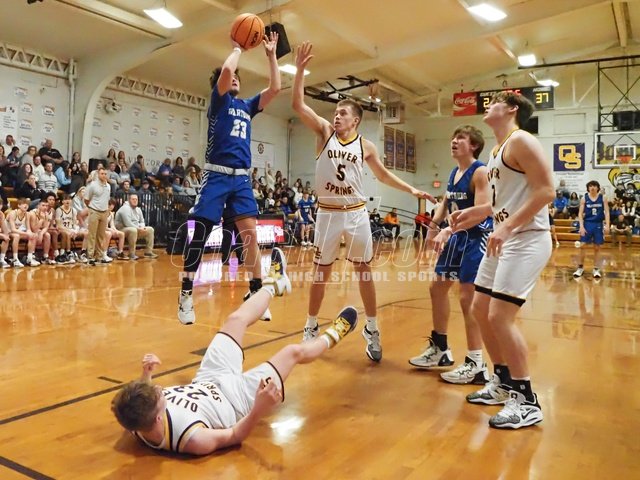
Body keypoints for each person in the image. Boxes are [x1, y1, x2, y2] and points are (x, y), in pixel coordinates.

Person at [111, 248, 358, 455]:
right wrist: (259, 407)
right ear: (157, 418)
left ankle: (274, 284)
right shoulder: (192, 439)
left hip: (207, 378)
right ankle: (335, 334)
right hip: (237, 399)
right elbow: (234, 435)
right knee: (292, 352)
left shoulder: (134, 419)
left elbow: (132, 409)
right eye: (157, 393)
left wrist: (146, 376)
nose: (158, 388)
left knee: (235, 320)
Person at [292, 41, 432, 362]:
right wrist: (300, 71)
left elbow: (383, 175)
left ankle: (372, 327)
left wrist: (412, 190)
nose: (337, 116)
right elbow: (298, 104)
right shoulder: (324, 132)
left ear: (355, 120)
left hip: (355, 213)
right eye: (336, 112)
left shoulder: (366, 146)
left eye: (343, 113)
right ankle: (310, 326)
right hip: (328, 214)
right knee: (320, 272)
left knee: (364, 270)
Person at [450, 91, 555, 429]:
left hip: (526, 238)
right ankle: (503, 381)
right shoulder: (496, 151)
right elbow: (503, 203)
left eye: (495, 101)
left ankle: (527, 400)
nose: (488, 105)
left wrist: (507, 227)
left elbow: (546, 191)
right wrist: (476, 213)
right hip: (504, 238)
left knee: (500, 316)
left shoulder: (521, 140)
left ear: (511, 109)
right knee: (480, 309)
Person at [178, 31, 281, 325]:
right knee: (200, 233)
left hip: (241, 180)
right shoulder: (219, 101)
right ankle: (186, 293)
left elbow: (275, 88)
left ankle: (256, 292)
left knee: (250, 235)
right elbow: (225, 70)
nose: (234, 78)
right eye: (232, 77)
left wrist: (271, 56)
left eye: (238, 77)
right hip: (216, 175)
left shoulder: (247, 106)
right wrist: (238, 48)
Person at [408, 125, 493, 386]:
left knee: (468, 299)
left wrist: (447, 231)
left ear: (474, 145)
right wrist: (433, 228)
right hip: (457, 237)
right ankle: (441, 348)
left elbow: (482, 211)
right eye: (453, 138)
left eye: (461, 139)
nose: (454, 142)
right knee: (437, 288)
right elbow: (445, 203)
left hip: (476, 237)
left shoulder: (480, 172)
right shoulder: (454, 172)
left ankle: (476, 364)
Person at [573, 180, 610, 279]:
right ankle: (580, 267)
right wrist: (581, 226)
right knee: (583, 246)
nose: (592, 187)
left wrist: (607, 225)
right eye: (590, 186)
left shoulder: (603, 198)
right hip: (587, 223)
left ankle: (596, 269)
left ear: (598, 188)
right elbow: (580, 213)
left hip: (598, 224)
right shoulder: (584, 198)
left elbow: (607, 212)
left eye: (594, 186)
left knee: (597, 247)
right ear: (588, 188)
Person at [114, 193, 157, 260]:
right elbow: (127, 223)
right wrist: (138, 228)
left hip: (135, 228)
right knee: (133, 230)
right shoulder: (125, 208)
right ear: (129, 200)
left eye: (136, 199)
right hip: (122, 229)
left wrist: (142, 227)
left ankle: (148, 252)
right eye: (133, 199)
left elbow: (142, 221)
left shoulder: (138, 209)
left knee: (150, 229)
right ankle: (132, 253)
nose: (135, 201)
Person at [84, 167, 111, 266]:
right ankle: (90, 256)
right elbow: (86, 199)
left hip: (104, 212)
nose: (104, 175)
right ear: (98, 174)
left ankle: (99, 256)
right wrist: (92, 208)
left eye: (105, 174)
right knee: (92, 234)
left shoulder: (108, 186)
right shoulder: (92, 185)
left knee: (101, 235)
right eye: (102, 173)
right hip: (94, 211)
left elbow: (107, 199)